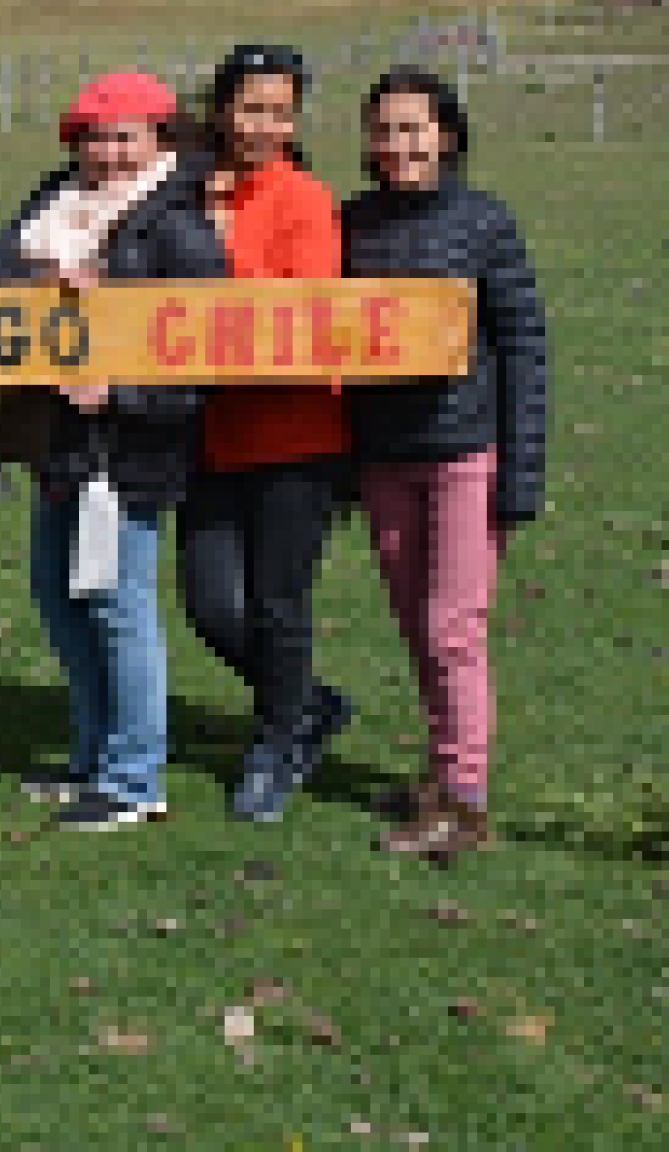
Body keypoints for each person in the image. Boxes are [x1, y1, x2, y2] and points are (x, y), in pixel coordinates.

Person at [0, 72, 226, 832]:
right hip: (59, 445)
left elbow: (204, 357)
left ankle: (134, 776)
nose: (109, 153)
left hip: (128, 452)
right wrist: (42, 279)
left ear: (160, 139)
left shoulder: (179, 228)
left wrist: (118, 393)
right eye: (94, 138)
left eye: (126, 137)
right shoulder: (54, 204)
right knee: (61, 599)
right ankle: (92, 755)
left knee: (120, 606)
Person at [341, 68, 547, 858]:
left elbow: (524, 346)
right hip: (384, 456)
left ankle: (465, 801)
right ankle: (439, 770)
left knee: (451, 628)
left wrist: (520, 474)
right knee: (415, 626)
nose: (397, 145)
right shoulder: (353, 224)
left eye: (412, 129)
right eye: (383, 130)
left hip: (467, 453)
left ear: (447, 135)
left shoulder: (485, 223)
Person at [176, 44, 355, 825]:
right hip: (211, 429)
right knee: (211, 604)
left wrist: (217, 249)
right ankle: (308, 703)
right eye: (251, 109)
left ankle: (277, 747)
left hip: (295, 431)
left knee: (279, 603)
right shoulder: (186, 191)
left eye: (280, 113)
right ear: (222, 111)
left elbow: (299, 308)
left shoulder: (305, 198)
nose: (264, 126)